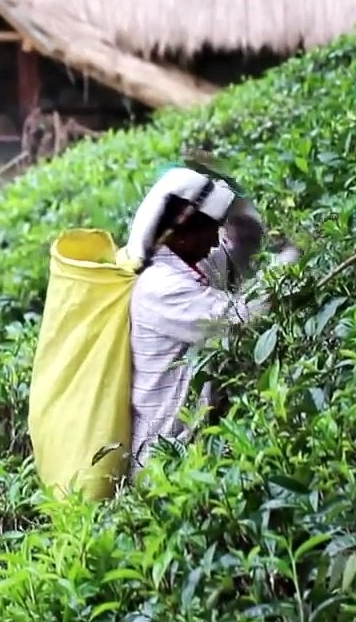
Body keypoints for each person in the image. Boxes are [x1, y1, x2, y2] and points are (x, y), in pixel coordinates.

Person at [123, 166, 298, 475]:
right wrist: (293, 258)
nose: (215, 239)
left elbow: (236, 254)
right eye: (209, 228)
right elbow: (238, 317)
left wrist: (248, 220)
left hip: (193, 448)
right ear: (183, 231)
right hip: (164, 463)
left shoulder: (186, 264)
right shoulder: (160, 288)